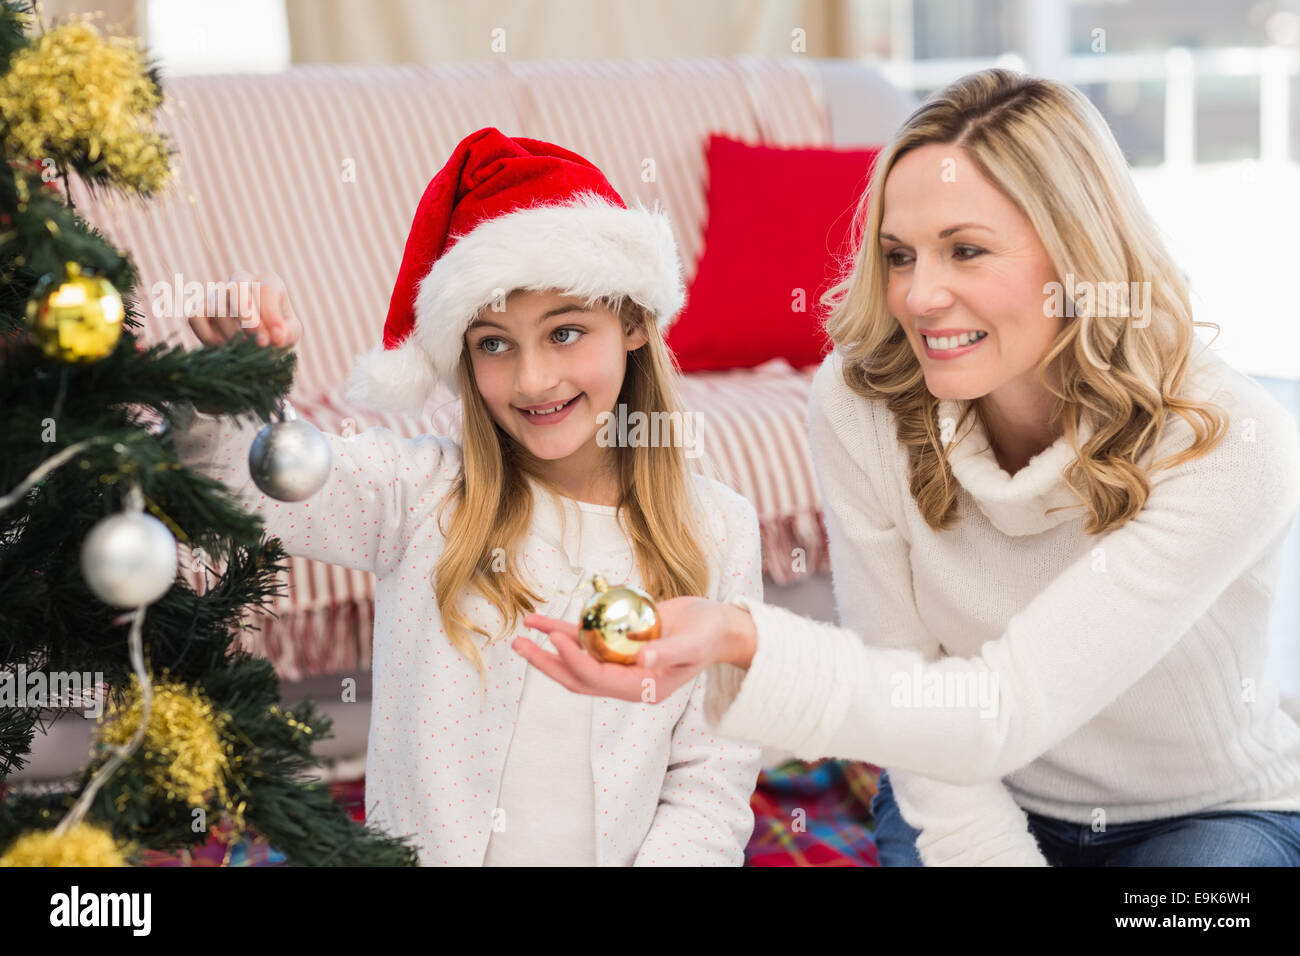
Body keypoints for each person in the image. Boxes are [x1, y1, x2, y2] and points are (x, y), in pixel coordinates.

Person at [514, 70, 1300, 866]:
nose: (920, 296)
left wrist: (742, 640)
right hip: (967, 782)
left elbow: (1005, 705)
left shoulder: (1229, 443)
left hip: (1203, 814)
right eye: (899, 255)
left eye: (966, 250)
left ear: (1078, 258)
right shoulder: (863, 403)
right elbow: (910, 686)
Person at [174, 128, 765, 866]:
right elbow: (235, 476)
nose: (533, 381)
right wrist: (228, 382)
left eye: (566, 332)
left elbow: (711, 779)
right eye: (493, 343)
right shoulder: (418, 496)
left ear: (636, 322)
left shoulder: (721, 530)